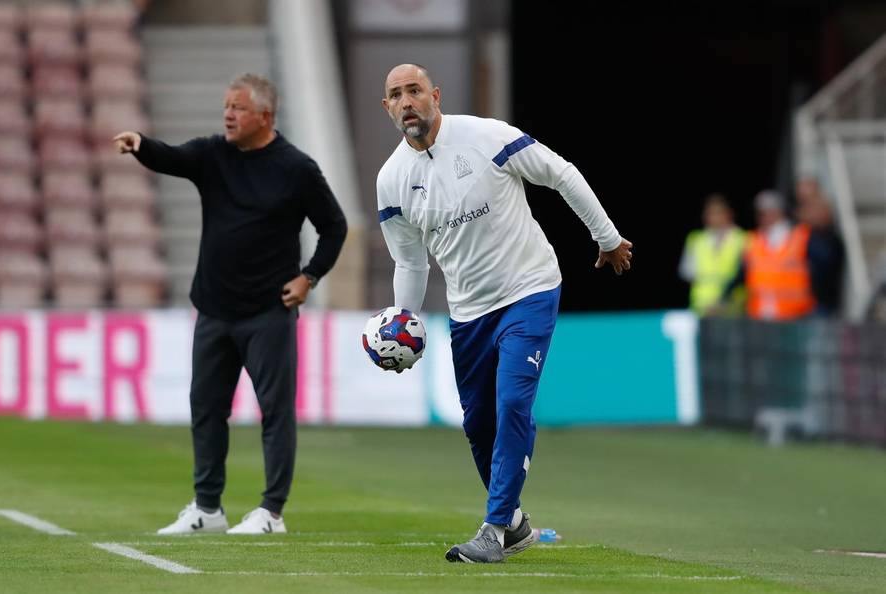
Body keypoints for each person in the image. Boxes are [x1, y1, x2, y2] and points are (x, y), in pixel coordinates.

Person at [376, 64, 632, 563]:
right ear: (386, 108)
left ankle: (494, 528)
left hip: (529, 289)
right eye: (395, 95)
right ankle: (514, 523)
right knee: (478, 424)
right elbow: (409, 260)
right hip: (468, 311)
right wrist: (402, 322)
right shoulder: (391, 181)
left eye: (414, 90)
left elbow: (561, 174)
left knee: (513, 401)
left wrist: (607, 237)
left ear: (435, 95)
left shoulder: (485, 135)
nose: (407, 101)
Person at [113, 73, 347, 535]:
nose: (228, 114)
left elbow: (334, 226)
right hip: (214, 310)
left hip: (268, 312)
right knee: (206, 408)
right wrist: (140, 143)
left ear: (265, 116)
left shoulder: (296, 167)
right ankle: (208, 509)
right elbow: (172, 157)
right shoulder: (212, 154)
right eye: (226, 106)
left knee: (275, 413)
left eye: (238, 107)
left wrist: (309, 277)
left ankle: (271, 512)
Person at [722, 190, 815, 320]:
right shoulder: (754, 240)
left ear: (778, 211)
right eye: (760, 213)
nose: (761, 218)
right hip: (760, 315)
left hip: (794, 316)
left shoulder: (800, 237)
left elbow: (820, 272)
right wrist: (723, 297)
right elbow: (742, 273)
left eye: (764, 213)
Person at [679, 194, 746, 315]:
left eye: (719, 213)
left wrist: (723, 301)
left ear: (729, 214)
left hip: (733, 308)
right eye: (711, 213)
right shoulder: (696, 240)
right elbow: (687, 273)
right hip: (702, 307)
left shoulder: (742, 239)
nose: (715, 217)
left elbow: (746, 275)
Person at [795, 177, 843, 316]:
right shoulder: (799, 231)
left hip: (821, 302)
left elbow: (826, 260)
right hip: (799, 302)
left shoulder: (827, 238)